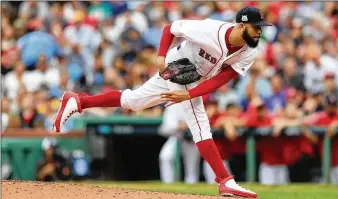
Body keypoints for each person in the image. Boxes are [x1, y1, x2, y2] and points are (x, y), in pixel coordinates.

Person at [53, 6, 272, 198]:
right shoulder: (209, 30)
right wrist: (160, 57)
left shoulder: (250, 51)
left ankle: (79, 101)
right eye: (256, 26)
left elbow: (222, 79)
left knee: (134, 101)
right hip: (177, 65)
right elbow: (170, 28)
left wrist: (189, 94)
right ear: (242, 25)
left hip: (195, 77)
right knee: (199, 123)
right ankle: (225, 180)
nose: (260, 31)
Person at [158, 103, 202, 184]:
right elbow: (164, 129)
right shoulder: (172, 106)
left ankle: (192, 187)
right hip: (176, 137)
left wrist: (187, 125)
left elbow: (203, 122)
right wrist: (177, 126)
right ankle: (168, 184)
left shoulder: (195, 103)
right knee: (165, 157)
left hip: (192, 139)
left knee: (191, 167)